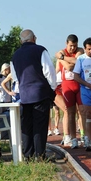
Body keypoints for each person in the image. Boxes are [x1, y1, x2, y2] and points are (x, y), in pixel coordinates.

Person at [10, 29, 57, 161]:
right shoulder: (40, 50)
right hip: (40, 92)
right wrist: (52, 88)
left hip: (24, 94)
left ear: (21, 41)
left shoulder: (15, 55)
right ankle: (40, 155)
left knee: (27, 125)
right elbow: (49, 71)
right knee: (40, 125)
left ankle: (27, 155)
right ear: (34, 38)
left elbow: (15, 77)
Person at [55, 34, 84, 149]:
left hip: (79, 85)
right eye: (71, 46)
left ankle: (83, 136)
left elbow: (77, 60)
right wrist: (68, 61)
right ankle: (72, 137)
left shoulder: (80, 50)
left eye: (75, 46)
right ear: (66, 44)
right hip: (67, 86)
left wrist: (62, 58)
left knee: (82, 111)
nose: (73, 48)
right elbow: (68, 67)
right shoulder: (60, 52)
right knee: (70, 112)